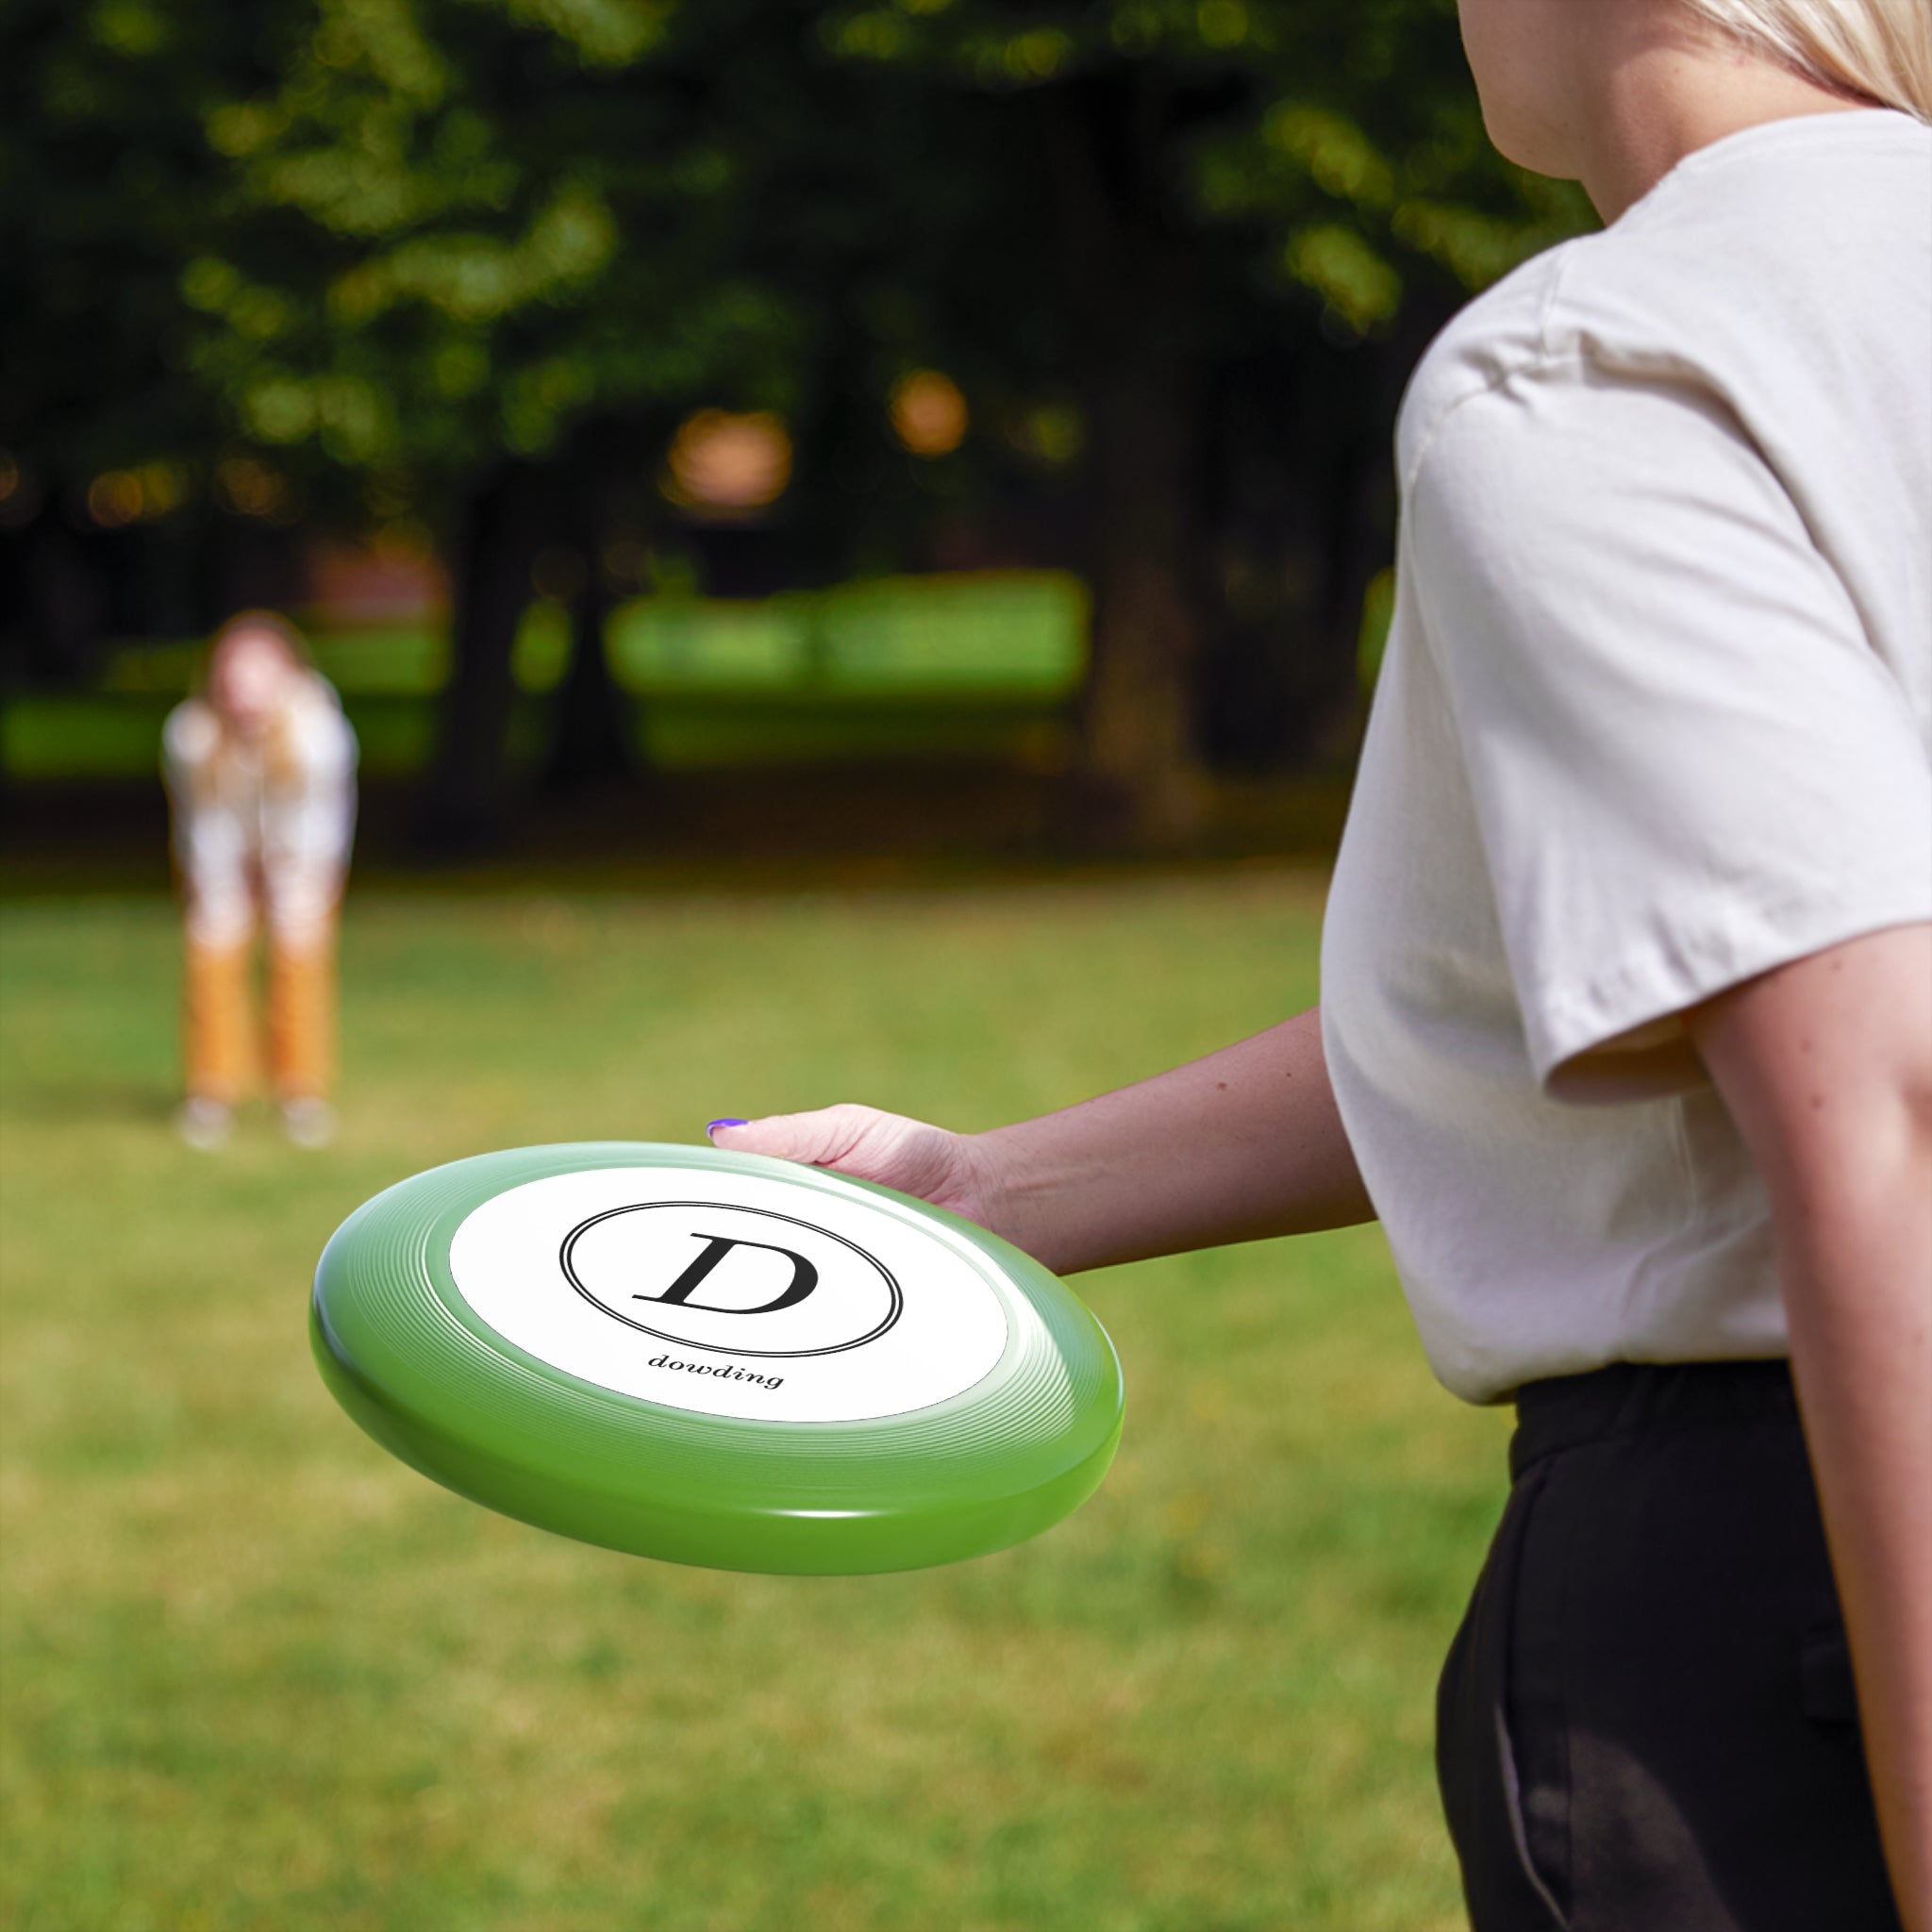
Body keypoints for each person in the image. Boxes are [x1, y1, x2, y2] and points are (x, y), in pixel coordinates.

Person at [706, 2, 1932, 1925]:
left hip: (1795, 1592)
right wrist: (987, 1188)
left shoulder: (1609, 361)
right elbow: (1633, 987)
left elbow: (1884, 1099)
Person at [162, 611, 358, 1150]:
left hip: (302, 858)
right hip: (221, 856)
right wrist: (224, 888)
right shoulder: (191, 735)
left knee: (299, 959)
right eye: (234, 675)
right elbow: (204, 824)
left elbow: (318, 824)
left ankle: (301, 1092)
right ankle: (212, 1091)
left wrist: (288, 881)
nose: (244, 690)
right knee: (212, 953)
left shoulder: (319, 733)